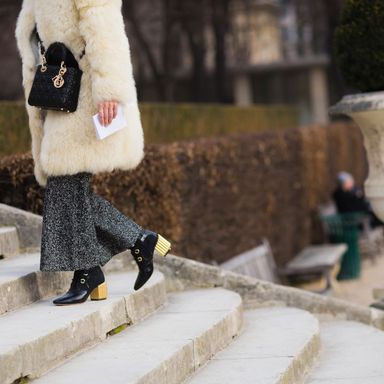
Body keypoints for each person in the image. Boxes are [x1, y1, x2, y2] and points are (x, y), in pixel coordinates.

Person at [15, 0, 171, 306]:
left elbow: (106, 31)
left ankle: (89, 272)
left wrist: (109, 91)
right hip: (58, 91)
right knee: (70, 188)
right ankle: (136, 242)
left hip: (86, 91)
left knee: (64, 182)